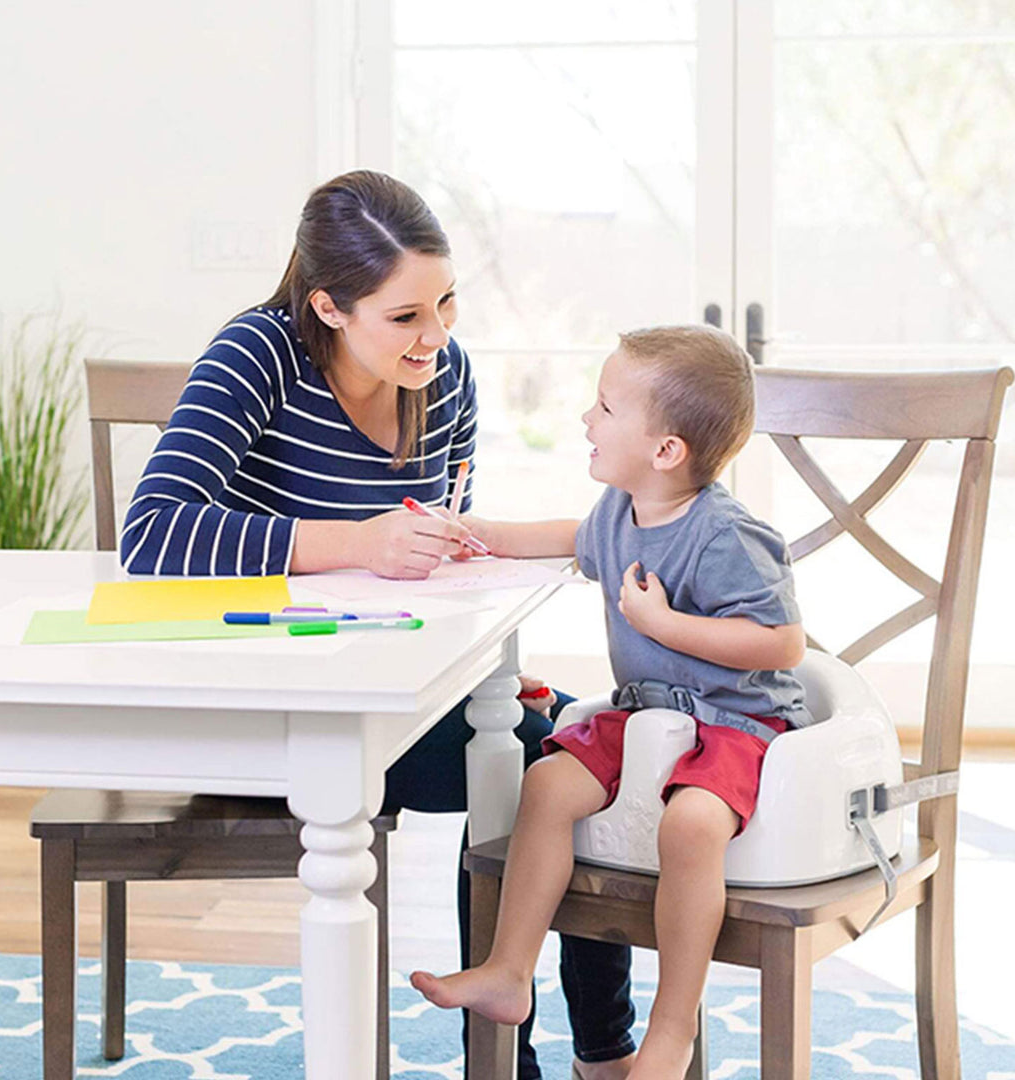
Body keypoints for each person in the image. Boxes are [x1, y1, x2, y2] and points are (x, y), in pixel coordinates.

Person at [119, 170, 637, 1079]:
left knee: (574, 748)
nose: (435, 335)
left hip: (390, 691)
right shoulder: (257, 355)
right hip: (270, 712)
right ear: (328, 306)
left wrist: (478, 664)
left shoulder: (445, 376)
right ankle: (519, 1063)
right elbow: (152, 534)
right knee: (538, 763)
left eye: (446, 303)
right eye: (405, 316)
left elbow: (439, 558)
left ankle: (600, 1053)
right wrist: (355, 541)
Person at [411, 325, 811, 1080]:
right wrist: (482, 534)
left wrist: (664, 625)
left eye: (604, 408)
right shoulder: (619, 509)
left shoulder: (726, 535)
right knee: (544, 782)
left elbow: (783, 643)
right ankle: (508, 971)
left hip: (732, 724)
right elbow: (572, 537)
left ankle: (670, 1032)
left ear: (666, 451)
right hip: (645, 713)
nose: (585, 419)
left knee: (691, 827)